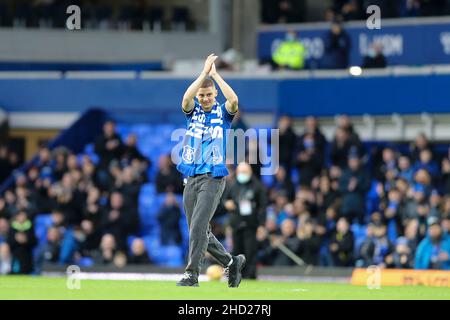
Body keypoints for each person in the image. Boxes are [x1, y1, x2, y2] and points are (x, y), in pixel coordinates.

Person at [175, 54, 245, 287]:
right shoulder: (192, 112)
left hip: (213, 178)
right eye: (202, 95)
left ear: (215, 95)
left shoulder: (223, 115)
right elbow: (186, 98)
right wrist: (203, 74)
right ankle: (231, 262)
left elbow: (234, 99)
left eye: (209, 95)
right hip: (191, 177)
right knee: (199, 230)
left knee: (197, 227)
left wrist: (215, 75)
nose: (205, 98)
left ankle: (191, 274)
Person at [223, 162, 267, 279]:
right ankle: (235, 275)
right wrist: (227, 203)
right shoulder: (232, 185)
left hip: (251, 224)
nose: (242, 174)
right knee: (236, 250)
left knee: (250, 251)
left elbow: (263, 207)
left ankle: (250, 276)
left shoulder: (258, 186)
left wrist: (262, 225)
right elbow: (224, 200)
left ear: (250, 172)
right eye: (240, 172)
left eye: (245, 172)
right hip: (236, 223)